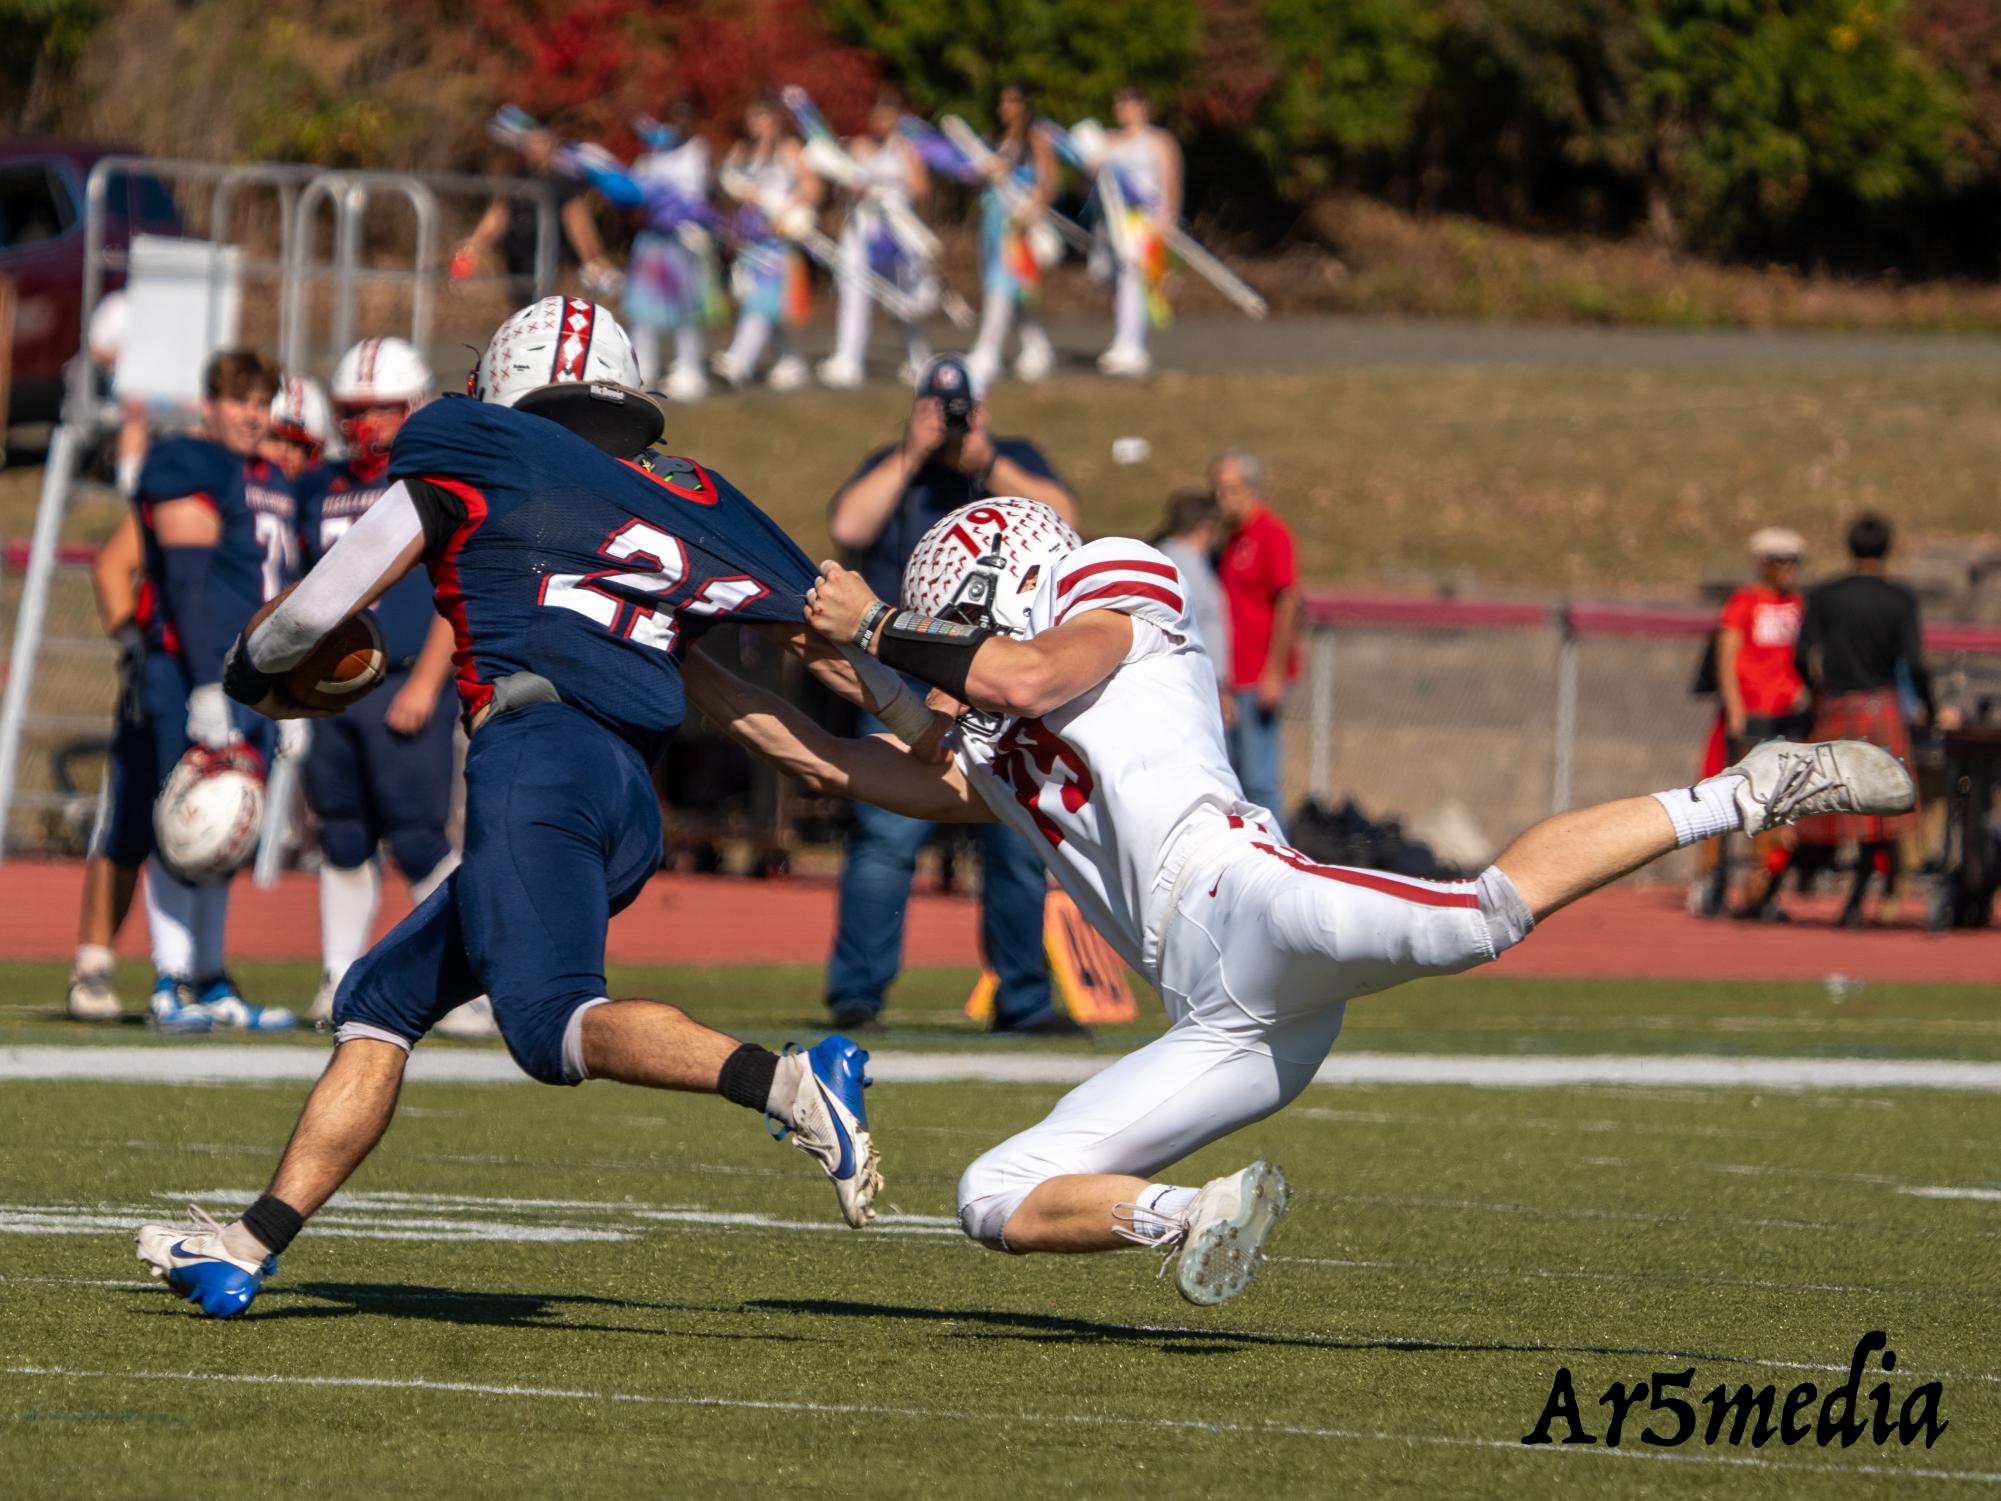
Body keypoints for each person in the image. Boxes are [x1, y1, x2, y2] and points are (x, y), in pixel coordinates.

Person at [687, 494, 1914, 1307]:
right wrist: (713, 678)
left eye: (955, 616)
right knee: (989, 1196)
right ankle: (1191, 1216)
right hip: (1215, 1017)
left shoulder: (1113, 590)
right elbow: (862, 767)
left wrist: (885, 633)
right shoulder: (1001, 737)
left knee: (1479, 914)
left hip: (1242, 896)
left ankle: (1747, 791)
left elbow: (1022, 669)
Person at [134, 298, 908, 1318]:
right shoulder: (688, 493)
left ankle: (793, 1083)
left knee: (549, 1027)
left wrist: (249, 673)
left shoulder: (479, 446)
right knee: (379, 999)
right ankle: (244, 1244)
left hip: (537, 757)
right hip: (628, 794)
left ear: (500, 386)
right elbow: (815, 635)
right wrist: (926, 719)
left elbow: (321, 605)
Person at [823, 356, 1077, 1034]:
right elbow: (848, 526)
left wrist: (982, 455)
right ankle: (857, 994)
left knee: (1019, 833)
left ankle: (1022, 997)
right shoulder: (897, 463)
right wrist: (912, 451)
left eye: (959, 408)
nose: (950, 421)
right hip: (903, 671)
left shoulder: (1008, 460)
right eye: (937, 409)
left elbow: (1064, 522)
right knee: (884, 832)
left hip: (998, 672)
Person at [294, 338, 479, 1035]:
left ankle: (461, 983)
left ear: (413, 408)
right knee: (340, 833)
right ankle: (338, 973)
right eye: (352, 411)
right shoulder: (323, 485)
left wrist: (429, 680)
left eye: (379, 411)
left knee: (417, 836)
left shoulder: (432, 482)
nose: (364, 425)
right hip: (333, 688)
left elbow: (450, 591)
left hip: (402, 680)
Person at [129, 349, 300, 1034]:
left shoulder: (269, 477)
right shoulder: (188, 463)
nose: (252, 415)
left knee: (231, 825)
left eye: (261, 403)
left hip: (253, 679)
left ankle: (209, 972)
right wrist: (204, 685)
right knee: (184, 818)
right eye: (239, 401)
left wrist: (292, 692)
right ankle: (171, 978)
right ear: (210, 404)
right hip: (194, 670)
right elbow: (188, 583)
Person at [1793, 513, 1956, 927]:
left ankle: (1788, 888)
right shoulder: (1899, 599)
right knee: (1877, 818)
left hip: (1834, 707)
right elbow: (1915, 663)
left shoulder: (1825, 594)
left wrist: (1816, 695)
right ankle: (1856, 903)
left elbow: (1801, 654)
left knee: (1815, 806)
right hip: (1880, 708)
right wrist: (1932, 708)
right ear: (1887, 548)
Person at [1692, 527, 1811, 920]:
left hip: (1783, 720)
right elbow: (1727, 659)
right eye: (1781, 561)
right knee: (1720, 799)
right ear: (1763, 563)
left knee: (1776, 807)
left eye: (1794, 561)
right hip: (1745, 719)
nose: (1789, 569)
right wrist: (1736, 710)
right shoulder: (1744, 602)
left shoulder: (1797, 604)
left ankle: (1762, 889)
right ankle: (1710, 879)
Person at [65, 515, 148, 1021]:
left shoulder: (291, 490)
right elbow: (114, 561)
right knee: (126, 822)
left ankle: (197, 971)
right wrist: (135, 645)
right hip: (168, 672)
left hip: (245, 675)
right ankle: (93, 964)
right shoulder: (184, 473)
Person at [818, 90, 936, 390]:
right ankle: (849, 359)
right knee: (853, 293)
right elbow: (841, 186)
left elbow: (921, 189)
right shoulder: (858, 147)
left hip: (896, 230)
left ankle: (918, 358)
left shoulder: (906, 150)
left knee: (903, 297)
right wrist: (853, 187)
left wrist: (884, 188)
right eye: (877, 115)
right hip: (862, 228)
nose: (881, 122)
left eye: (888, 116)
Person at [1211, 449, 1297, 820]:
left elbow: (1289, 599)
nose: (1222, 498)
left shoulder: (1271, 533)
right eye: (1218, 489)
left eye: (1230, 489)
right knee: (1235, 779)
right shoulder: (1230, 540)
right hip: (1234, 674)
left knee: (1261, 780)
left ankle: (1280, 862)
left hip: (1258, 673)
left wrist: (1274, 670)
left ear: (1251, 489)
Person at [714, 95, 821, 391]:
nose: (754, 124)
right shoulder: (743, 151)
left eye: (760, 116)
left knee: (760, 302)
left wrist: (787, 209)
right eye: (751, 118)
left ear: (774, 119)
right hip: (751, 242)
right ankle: (791, 360)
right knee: (760, 303)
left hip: (777, 244)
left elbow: (812, 186)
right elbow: (726, 182)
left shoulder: (788, 149)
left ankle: (739, 362)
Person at [452, 118, 613, 306]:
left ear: (551, 144)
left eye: (539, 142)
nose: (533, 148)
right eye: (529, 143)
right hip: (517, 253)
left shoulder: (561, 182)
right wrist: (476, 242)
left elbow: (578, 223)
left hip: (546, 254)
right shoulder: (517, 176)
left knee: (540, 305)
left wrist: (592, 258)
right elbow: (500, 211)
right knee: (519, 306)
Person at [619, 105, 720, 402]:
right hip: (653, 240)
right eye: (675, 118)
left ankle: (690, 369)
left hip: (685, 241)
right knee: (643, 306)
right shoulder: (650, 159)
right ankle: (643, 368)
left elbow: (705, 193)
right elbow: (635, 197)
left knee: (685, 307)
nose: (680, 123)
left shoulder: (698, 151)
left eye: (685, 117)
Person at [965, 83, 1060, 390]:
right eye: (1003, 101)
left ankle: (987, 352)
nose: (1006, 108)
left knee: (1002, 284)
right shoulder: (995, 140)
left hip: (1019, 226)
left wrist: (1031, 209)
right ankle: (1037, 347)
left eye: (1013, 101)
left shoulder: (1036, 139)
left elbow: (1048, 183)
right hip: (994, 222)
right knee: (1008, 290)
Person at [1092, 87, 1181, 378]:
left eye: (1129, 103)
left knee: (1136, 279)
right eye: (1119, 103)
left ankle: (1131, 345)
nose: (1123, 109)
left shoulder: (1158, 140)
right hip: (1114, 221)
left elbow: (1169, 182)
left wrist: (1166, 221)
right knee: (1114, 280)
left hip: (1145, 221)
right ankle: (1128, 340)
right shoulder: (1108, 141)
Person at [1151, 487, 1230, 719]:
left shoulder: (1163, 555)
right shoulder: (1187, 564)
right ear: (1204, 527)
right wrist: (1217, 690)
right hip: (1192, 686)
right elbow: (1185, 628)